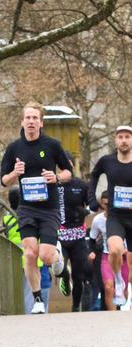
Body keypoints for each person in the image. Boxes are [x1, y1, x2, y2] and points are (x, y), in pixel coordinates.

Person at [0, 102, 71, 314]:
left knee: (46, 256)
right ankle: (37, 300)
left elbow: (69, 171)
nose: (31, 121)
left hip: (49, 209)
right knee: (30, 253)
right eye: (27, 118)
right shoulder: (14, 148)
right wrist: (15, 173)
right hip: (27, 208)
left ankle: (60, 264)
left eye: (35, 118)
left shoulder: (52, 145)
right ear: (22, 122)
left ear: (40, 122)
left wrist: (56, 177)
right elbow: (4, 180)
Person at [88, 125, 132, 307]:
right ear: (115, 140)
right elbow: (94, 175)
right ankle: (118, 280)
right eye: (120, 137)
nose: (124, 140)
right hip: (116, 216)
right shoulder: (107, 161)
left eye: (127, 137)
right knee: (113, 250)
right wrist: (92, 198)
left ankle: (127, 287)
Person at [3, 188, 52, 314]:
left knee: (25, 291)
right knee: (41, 288)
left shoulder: (7, 218)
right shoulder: (29, 216)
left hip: (16, 259)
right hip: (36, 259)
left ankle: (28, 312)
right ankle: (40, 313)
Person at [57, 156, 94, 312]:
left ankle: (74, 307)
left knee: (79, 276)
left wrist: (85, 211)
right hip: (60, 236)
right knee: (58, 267)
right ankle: (64, 276)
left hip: (78, 238)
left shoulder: (81, 185)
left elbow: (93, 205)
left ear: (72, 165)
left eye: (68, 164)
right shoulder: (53, 184)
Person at [88, 192, 129, 310]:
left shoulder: (124, 217)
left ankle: (122, 312)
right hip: (108, 256)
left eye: (110, 204)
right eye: (106, 204)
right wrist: (92, 252)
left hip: (125, 257)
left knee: (123, 289)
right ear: (102, 203)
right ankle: (112, 315)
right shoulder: (98, 220)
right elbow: (91, 239)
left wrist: (127, 249)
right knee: (108, 287)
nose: (108, 207)